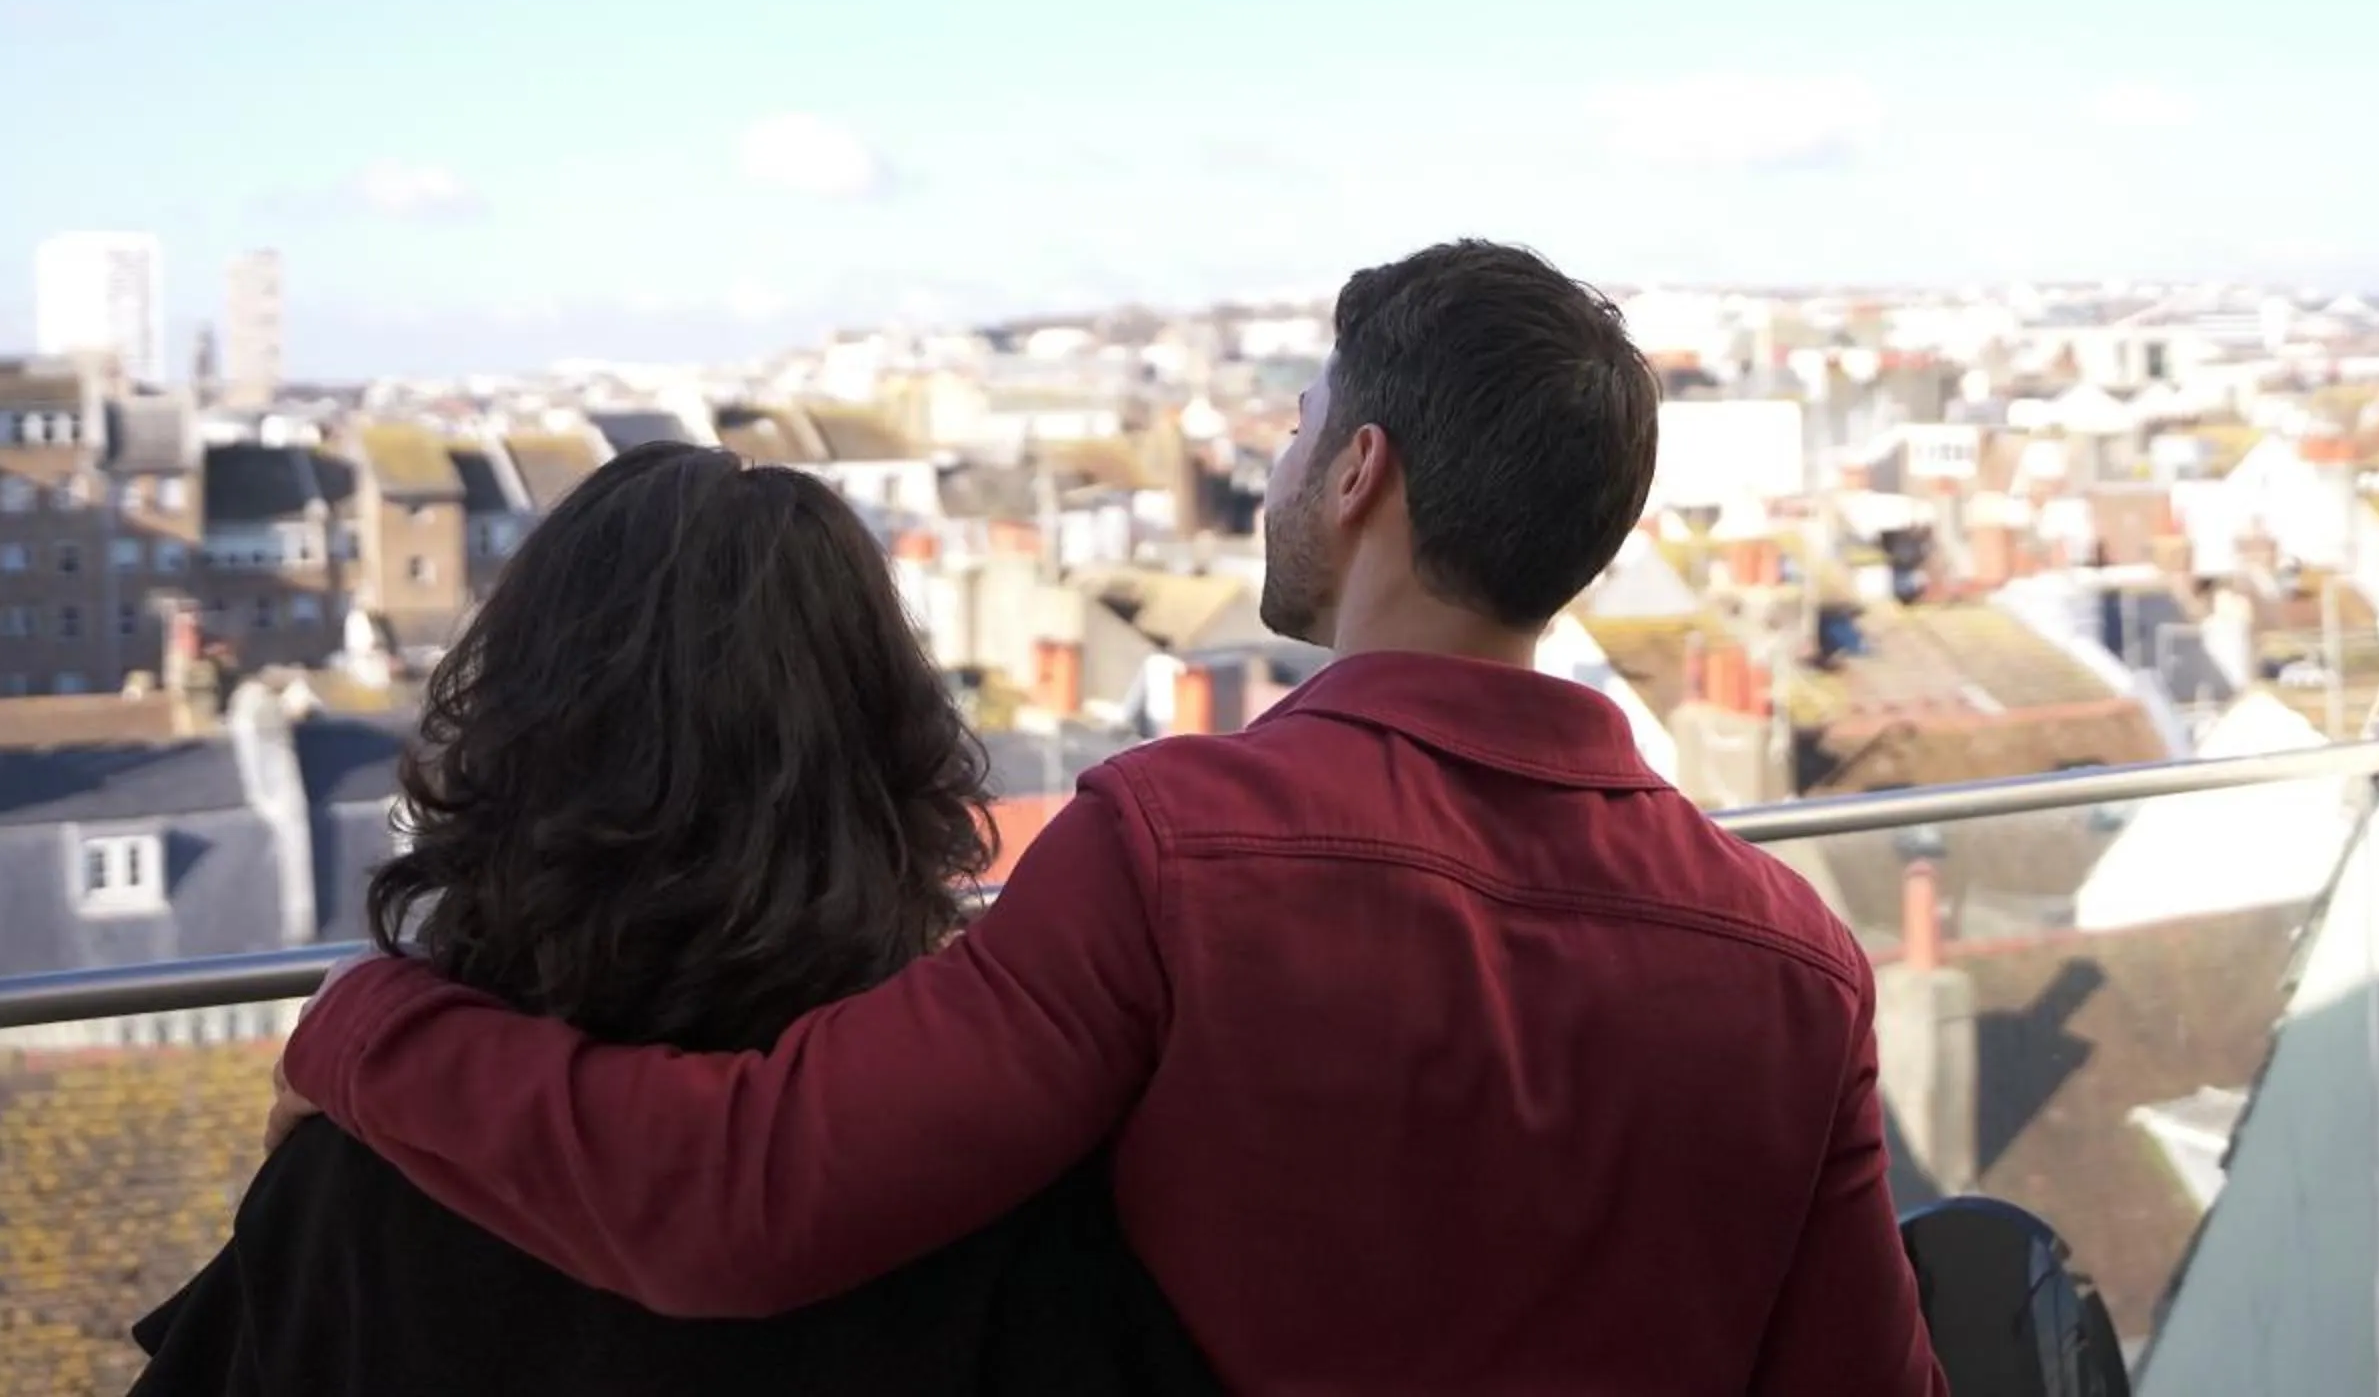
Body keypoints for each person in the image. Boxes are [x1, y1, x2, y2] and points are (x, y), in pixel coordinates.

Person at [268, 242, 1946, 1395]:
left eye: (1294, 427)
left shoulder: (1180, 850)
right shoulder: (1795, 961)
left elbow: (750, 1199)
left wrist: (368, 1034)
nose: (1277, 465)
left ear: (1359, 473)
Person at [133, 446, 1214, 1396]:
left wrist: (365, 1029)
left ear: (515, 748)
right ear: (886, 760)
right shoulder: (1000, 1179)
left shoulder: (358, 1187)